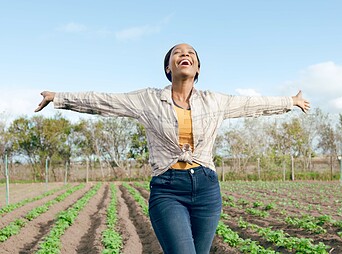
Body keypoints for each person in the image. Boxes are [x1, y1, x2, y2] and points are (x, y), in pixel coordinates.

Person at [35, 43, 310, 254]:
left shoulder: (215, 101)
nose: (184, 55)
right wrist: (58, 97)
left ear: (198, 68)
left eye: (190, 52)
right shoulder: (148, 100)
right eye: (177, 53)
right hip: (168, 189)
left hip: (206, 188)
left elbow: (253, 105)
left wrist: (290, 101)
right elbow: (103, 101)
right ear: (169, 67)